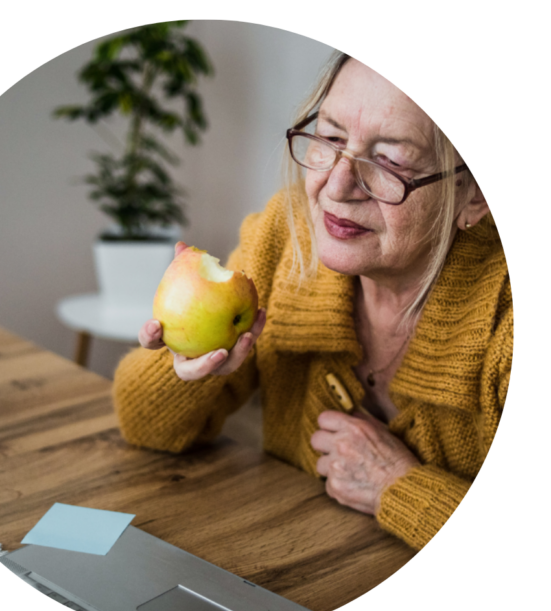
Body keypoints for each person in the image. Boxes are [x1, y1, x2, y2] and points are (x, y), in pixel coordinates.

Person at [111, 50, 514, 551]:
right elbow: (142, 424)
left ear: (474, 195)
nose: (337, 186)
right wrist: (192, 366)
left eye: (389, 161)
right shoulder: (289, 232)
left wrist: (399, 486)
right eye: (330, 138)